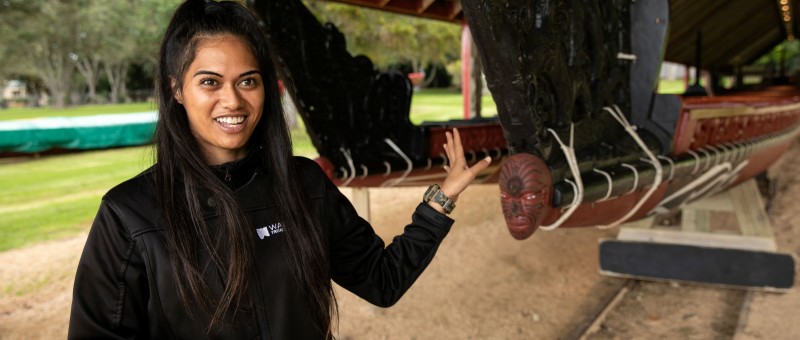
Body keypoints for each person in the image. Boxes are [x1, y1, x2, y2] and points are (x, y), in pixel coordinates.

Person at [67, 0, 491, 338]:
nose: (233, 101)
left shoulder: (304, 185)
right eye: (210, 82)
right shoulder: (130, 214)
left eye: (248, 81)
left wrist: (441, 200)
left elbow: (382, 281)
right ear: (177, 89)